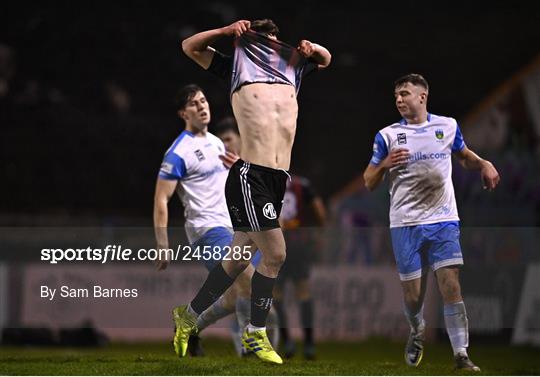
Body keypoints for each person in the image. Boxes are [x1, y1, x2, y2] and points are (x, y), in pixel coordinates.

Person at [175, 19, 331, 364]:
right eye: (261, 42)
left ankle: (188, 316)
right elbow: (189, 46)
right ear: (250, 42)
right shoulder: (236, 66)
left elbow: (326, 58)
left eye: (273, 43)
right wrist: (225, 31)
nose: (268, 50)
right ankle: (256, 333)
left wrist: (312, 47)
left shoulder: (293, 70)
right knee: (276, 255)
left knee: (235, 261)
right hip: (250, 175)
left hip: (278, 180)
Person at [363, 74, 500, 372]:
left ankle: (461, 354)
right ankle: (417, 330)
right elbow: (368, 181)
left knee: (450, 285)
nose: (399, 99)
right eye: (396, 95)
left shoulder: (447, 126)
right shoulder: (387, 135)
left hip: (443, 219)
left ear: (422, 97)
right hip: (405, 223)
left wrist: (484, 163)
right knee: (413, 297)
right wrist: (385, 164)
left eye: (405, 93)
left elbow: (463, 156)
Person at [153, 84, 261, 357]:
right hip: (207, 230)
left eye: (203, 100)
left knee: (235, 295)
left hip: (232, 226)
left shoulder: (215, 143)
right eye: (194, 104)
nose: (202, 106)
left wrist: (238, 167)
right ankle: (250, 347)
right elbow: (161, 200)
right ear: (183, 113)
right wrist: (162, 243)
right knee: (249, 279)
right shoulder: (177, 153)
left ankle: (189, 324)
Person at [274, 174, 326, 360]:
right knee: (303, 293)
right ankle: (309, 345)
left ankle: (287, 341)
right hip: (299, 244)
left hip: (278, 245)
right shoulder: (302, 184)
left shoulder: (269, 183)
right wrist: (319, 229)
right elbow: (319, 210)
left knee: (276, 294)